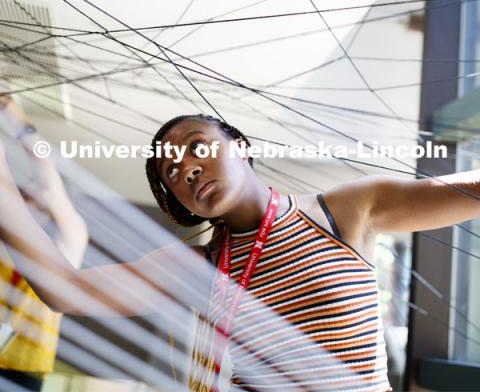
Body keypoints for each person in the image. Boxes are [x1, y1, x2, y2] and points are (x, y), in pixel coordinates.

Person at [0, 112, 479, 391]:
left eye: (197, 147)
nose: (185, 167)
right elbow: (64, 289)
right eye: (171, 172)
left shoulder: (348, 211)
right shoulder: (198, 268)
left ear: (242, 148)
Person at [0, 96, 88, 391]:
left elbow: (49, 184)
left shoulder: (70, 237)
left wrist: (16, 117)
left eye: (38, 188)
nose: (31, 190)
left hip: (23, 368)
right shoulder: (7, 232)